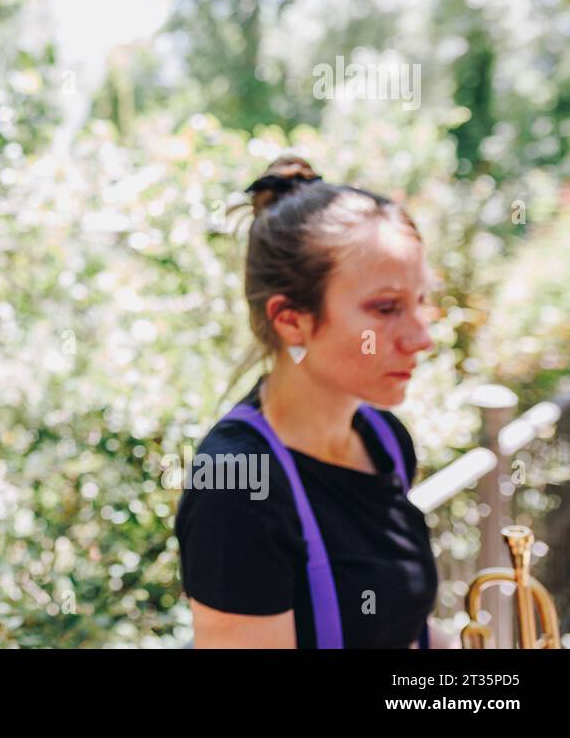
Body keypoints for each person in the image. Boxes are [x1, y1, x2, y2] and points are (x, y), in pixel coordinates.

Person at [174, 155, 455, 648]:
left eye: (420, 301)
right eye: (386, 308)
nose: (421, 337)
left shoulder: (384, 437)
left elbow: (389, 624)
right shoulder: (238, 489)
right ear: (291, 319)